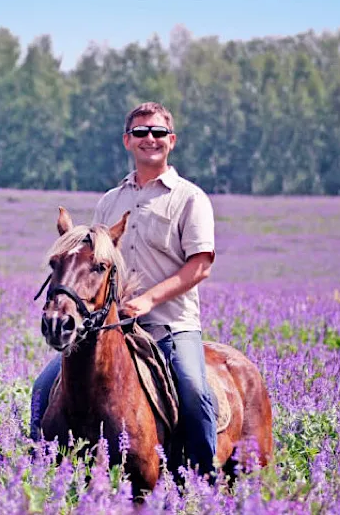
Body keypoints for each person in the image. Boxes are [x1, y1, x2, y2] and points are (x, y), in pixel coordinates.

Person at [30, 101, 219, 478]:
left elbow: (201, 265)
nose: (150, 139)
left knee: (195, 392)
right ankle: (41, 472)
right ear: (127, 141)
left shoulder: (189, 198)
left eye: (158, 132)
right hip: (110, 327)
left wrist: (148, 299)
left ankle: (203, 479)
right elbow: (92, 264)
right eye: (141, 132)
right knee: (43, 386)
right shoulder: (110, 201)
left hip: (170, 324)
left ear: (172, 141)